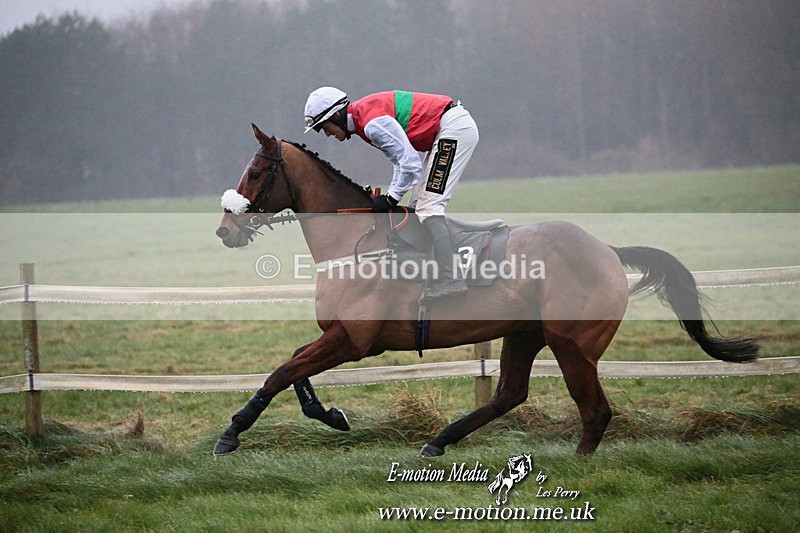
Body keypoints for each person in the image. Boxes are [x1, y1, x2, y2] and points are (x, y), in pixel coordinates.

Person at [303, 87, 479, 299]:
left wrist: (391, 198)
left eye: (325, 127)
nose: (328, 134)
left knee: (429, 207)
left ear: (337, 115)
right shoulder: (363, 120)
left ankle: (453, 278)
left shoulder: (371, 124)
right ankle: (431, 272)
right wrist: (391, 196)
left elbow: (411, 164)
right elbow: (400, 162)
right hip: (445, 129)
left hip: (453, 129)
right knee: (417, 209)